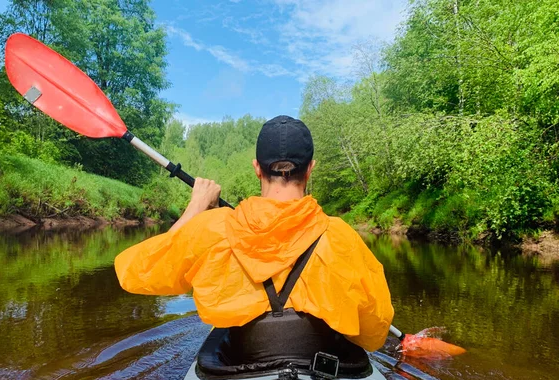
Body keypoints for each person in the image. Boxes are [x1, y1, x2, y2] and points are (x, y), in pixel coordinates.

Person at [114, 115, 393, 356]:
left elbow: (136, 273)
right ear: (310, 168)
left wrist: (196, 207)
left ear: (257, 168)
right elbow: (373, 336)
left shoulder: (215, 228)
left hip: (237, 365)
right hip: (319, 367)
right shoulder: (341, 238)